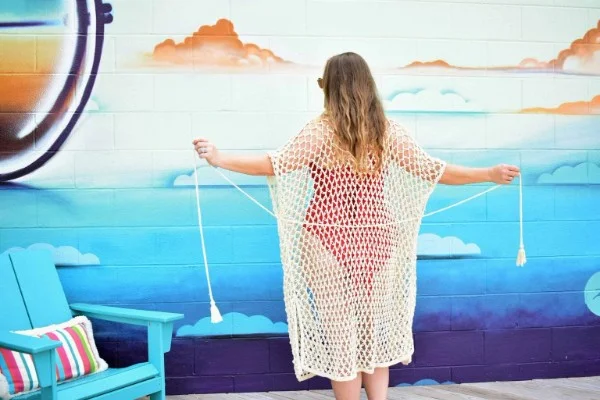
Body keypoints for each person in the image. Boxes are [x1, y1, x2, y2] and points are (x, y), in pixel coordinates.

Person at [193, 52, 520, 400]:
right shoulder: (386, 132)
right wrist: (487, 174)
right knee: (371, 335)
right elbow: (433, 170)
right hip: (375, 242)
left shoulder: (322, 131)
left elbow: (274, 164)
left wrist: (219, 157)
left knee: (341, 338)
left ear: (329, 87)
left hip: (326, 240)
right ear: (368, 86)